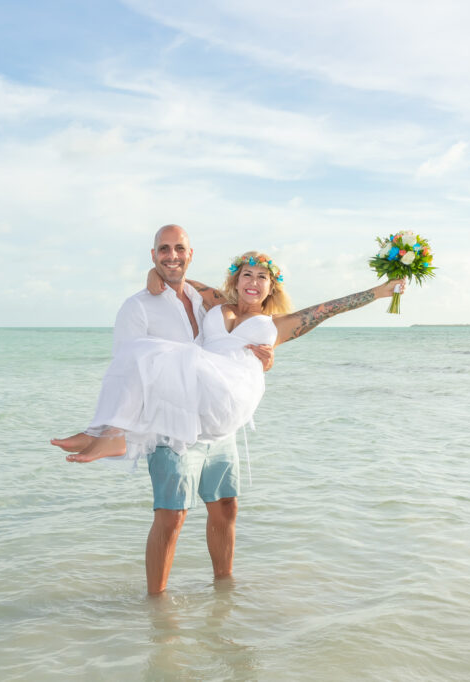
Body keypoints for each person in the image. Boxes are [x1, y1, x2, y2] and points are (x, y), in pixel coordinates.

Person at [53, 226, 405, 594]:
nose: (253, 282)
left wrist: (379, 292)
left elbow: (328, 309)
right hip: (193, 403)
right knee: (145, 356)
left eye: (262, 277)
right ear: (235, 281)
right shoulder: (215, 303)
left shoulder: (277, 325)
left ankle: (224, 587)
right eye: (247, 274)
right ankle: (109, 435)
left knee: (225, 507)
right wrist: (153, 273)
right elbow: (178, 274)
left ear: (272, 287)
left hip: (228, 401)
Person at [52, 225, 275, 596]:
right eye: (164, 249)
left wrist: (262, 359)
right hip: (169, 428)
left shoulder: (206, 302)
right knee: (172, 516)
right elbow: (127, 369)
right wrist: (124, 427)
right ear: (153, 255)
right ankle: (156, 604)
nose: (172, 256)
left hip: (215, 423)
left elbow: (241, 329)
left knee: (226, 507)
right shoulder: (138, 306)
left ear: (190, 254)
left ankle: (225, 593)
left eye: (179, 249)